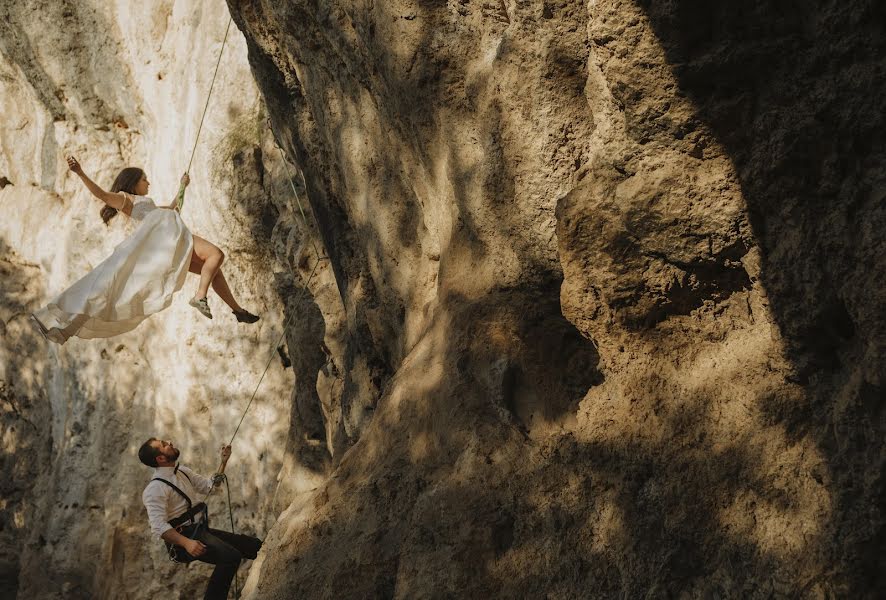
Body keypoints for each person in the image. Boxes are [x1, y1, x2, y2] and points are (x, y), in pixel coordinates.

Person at [29, 156, 259, 344]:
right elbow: (100, 194)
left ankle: (237, 310)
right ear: (133, 183)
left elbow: (173, 209)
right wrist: (80, 172)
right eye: (144, 179)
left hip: (167, 242)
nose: (148, 183)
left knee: (214, 269)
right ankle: (200, 296)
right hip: (170, 239)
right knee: (216, 255)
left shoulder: (147, 205)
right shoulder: (125, 198)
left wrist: (182, 186)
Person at [139, 438, 262, 600]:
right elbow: (159, 527)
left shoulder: (182, 471)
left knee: (254, 546)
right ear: (160, 458)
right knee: (231, 557)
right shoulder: (154, 489)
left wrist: (223, 462)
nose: (169, 442)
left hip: (200, 530)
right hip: (184, 540)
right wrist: (187, 543)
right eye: (164, 444)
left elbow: (208, 486)